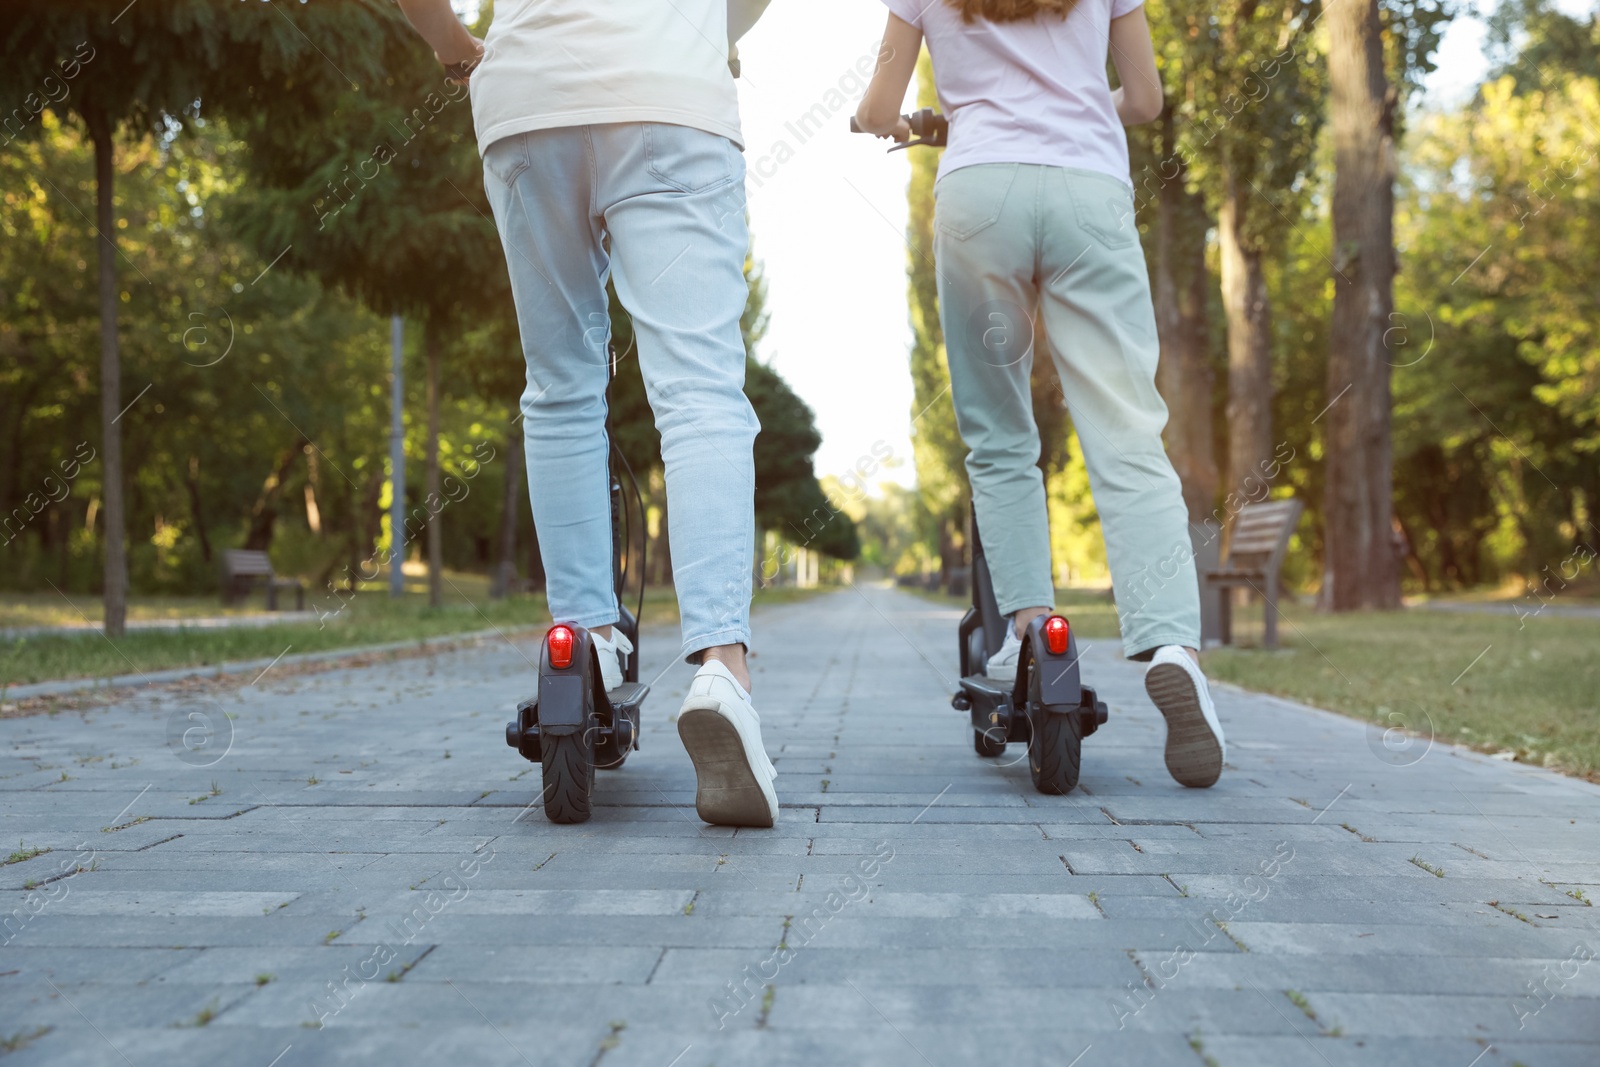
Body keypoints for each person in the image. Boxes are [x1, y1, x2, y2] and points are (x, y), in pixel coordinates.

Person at [395, 0, 780, 825]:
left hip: (529, 97)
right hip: (670, 94)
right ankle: (720, 665)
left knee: (560, 386)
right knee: (701, 391)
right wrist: (707, 35)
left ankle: (587, 643)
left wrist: (457, 49)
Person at [856, 0, 1226, 788]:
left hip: (978, 194)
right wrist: (1085, 104)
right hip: (1088, 190)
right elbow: (1147, 100)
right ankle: (1172, 646)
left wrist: (907, 122)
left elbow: (877, 106)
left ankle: (1029, 628)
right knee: (1128, 429)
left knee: (999, 433)